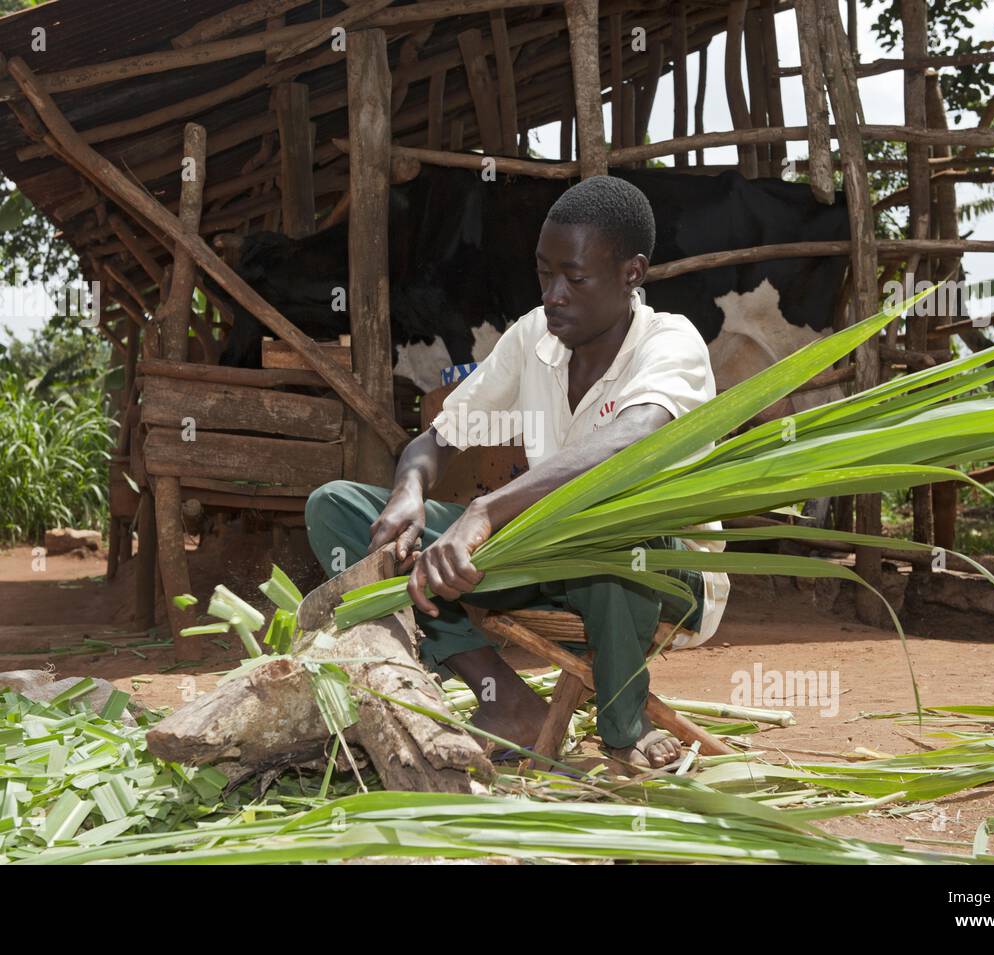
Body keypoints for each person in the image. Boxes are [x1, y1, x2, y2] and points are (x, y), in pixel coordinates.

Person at [306, 175, 729, 769]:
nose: (554, 294)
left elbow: (630, 440)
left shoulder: (670, 341)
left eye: (574, 278)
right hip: (541, 555)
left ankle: (623, 723)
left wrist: (484, 510)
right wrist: (410, 491)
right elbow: (440, 437)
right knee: (337, 508)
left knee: (612, 527)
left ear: (631, 274)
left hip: (655, 570)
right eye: (543, 274)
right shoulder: (533, 335)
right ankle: (506, 702)